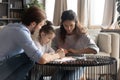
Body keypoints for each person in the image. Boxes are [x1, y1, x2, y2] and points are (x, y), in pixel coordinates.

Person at [0, 6, 65, 80]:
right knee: (30, 58)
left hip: (5, 67)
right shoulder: (21, 32)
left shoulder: (11, 26)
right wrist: (58, 55)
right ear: (33, 24)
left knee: (30, 57)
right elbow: (41, 59)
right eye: (40, 25)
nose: (40, 28)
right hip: (2, 68)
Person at [51, 10, 99, 80]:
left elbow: (95, 50)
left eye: (71, 25)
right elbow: (53, 48)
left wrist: (76, 52)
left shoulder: (82, 34)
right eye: (65, 25)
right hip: (62, 65)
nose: (69, 28)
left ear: (75, 23)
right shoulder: (57, 32)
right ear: (62, 24)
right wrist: (58, 51)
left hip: (78, 65)